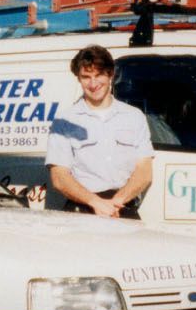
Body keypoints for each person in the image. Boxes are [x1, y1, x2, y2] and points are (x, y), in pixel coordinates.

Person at [45, 45, 154, 219]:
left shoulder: (134, 117)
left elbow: (144, 172)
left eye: (99, 75)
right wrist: (95, 202)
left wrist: (116, 202)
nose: (93, 84)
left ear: (111, 74)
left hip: (123, 209)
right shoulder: (64, 122)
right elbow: (59, 177)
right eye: (86, 77)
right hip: (83, 212)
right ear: (78, 79)